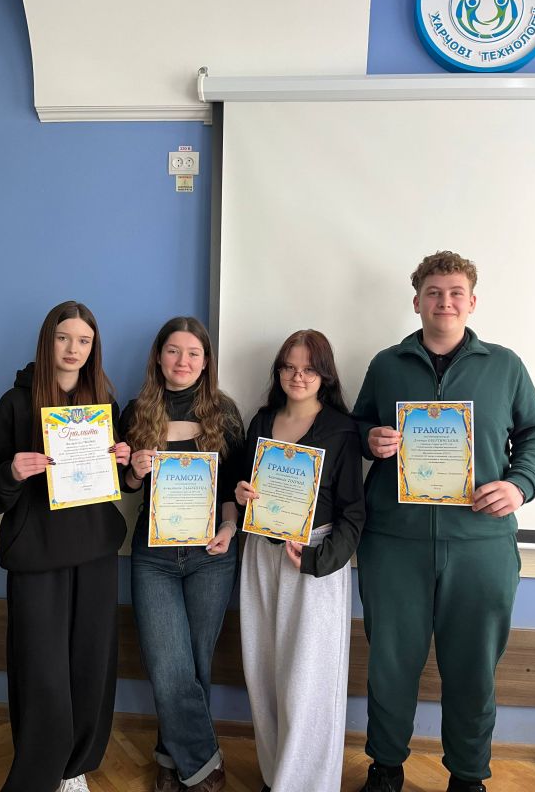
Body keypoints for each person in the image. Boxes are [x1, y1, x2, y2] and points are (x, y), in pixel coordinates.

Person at [352, 251, 535, 792]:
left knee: (473, 668)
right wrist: (369, 439)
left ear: (472, 302)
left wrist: (519, 485)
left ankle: (468, 776)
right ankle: (385, 768)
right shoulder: (386, 365)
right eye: (434, 292)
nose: (445, 301)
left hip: (481, 542)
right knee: (390, 663)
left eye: (456, 292)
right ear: (417, 301)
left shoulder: (505, 365)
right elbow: (356, 424)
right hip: (394, 542)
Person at [0, 301, 130, 792]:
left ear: (93, 347)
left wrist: (125, 461)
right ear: (48, 341)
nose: (73, 349)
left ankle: (74, 770)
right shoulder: (14, 403)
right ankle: (39, 775)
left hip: (95, 554)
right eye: (64, 338)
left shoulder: (103, 403)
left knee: (91, 665)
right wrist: (12, 472)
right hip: (36, 556)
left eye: (83, 341)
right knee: (41, 670)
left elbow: (118, 481)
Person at [235, 329, 366, 792]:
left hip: (313, 559)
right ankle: (277, 777)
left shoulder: (342, 429)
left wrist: (317, 559)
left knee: (308, 682)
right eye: (289, 367)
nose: (298, 376)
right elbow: (242, 485)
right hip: (260, 553)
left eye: (309, 369)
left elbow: (353, 513)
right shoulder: (260, 420)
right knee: (263, 672)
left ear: (324, 375)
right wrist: (241, 493)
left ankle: (306, 784)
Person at [119, 316, 244, 792]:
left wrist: (229, 528)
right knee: (168, 664)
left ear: (206, 361)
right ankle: (204, 767)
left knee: (195, 665)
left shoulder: (224, 412)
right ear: (158, 356)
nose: (183, 361)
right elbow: (127, 486)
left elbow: (233, 487)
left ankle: (172, 760)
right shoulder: (136, 412)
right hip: (153, 556)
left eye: (193, 353)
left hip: (211, 553)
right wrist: (135, 471)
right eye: (173, 350)